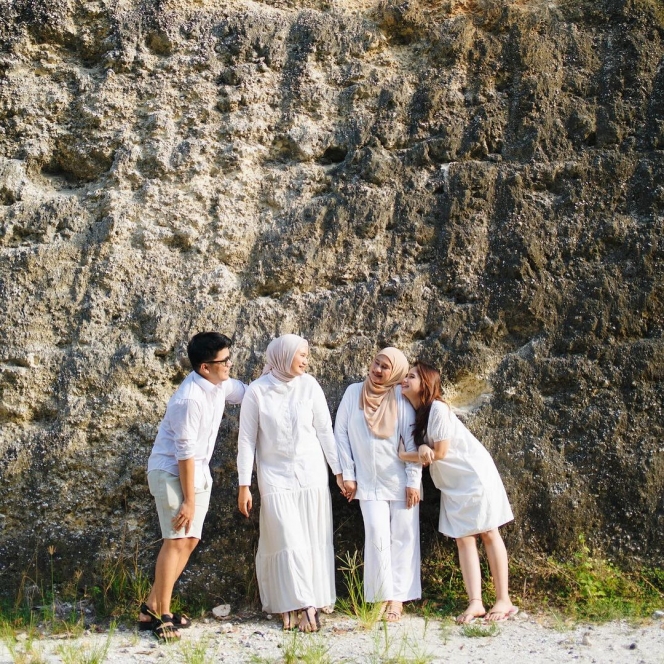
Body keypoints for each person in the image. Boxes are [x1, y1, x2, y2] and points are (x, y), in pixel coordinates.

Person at [139, 332, 246, 640]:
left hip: (197, 473)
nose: (229, 365)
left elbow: (246, 392)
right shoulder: (189, 400)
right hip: (172, 472)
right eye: (224, 361)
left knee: (190, 540)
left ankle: (149, 608)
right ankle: (163, 615)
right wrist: (188, 499)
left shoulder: (218, 383)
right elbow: (184, 453)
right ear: (204, 367)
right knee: (175, 540)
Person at [237, 334, 344, 633]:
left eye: (307, 354)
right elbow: (246, 440)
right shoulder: (256, 392)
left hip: (311, 475)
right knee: (286, 539)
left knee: (310, 539)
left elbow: (325, 430)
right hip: (274, 477)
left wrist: (338, 472)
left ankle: (300, 603)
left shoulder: (309, 385)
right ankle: (301, 604)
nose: (306, 360)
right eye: (302, 354)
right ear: (283, 355)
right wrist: (244, 484)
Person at [399, 361, 517, 623]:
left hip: (473, 476)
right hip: (451, 484)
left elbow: (438, 453)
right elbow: (426, 452)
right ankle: (475, 602)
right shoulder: (416, 414)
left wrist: (404, 454)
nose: (404, 380)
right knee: (463, 538)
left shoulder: (438, 409)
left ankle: (503, 600)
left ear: (426, 384)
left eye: (411, 376)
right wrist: (418, 450)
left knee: (488, 532)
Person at [334, 347, 422, 622]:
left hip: (399, 480)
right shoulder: (353, 393)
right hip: (368, 482)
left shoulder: (400, 396)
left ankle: (398, 598)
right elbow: (341, 434)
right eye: (376, 363)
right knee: (376, 535)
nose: (378, 370)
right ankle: (381, 596)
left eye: (386, 367)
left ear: (394, 372)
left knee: (404, 536)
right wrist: (348, 473)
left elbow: (412, 440)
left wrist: (413, 481)